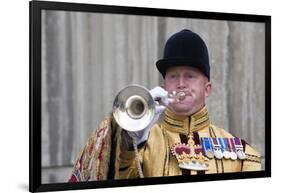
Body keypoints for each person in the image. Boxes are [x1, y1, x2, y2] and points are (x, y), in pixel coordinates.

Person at [69, 29, 261, 182]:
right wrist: (133, 138)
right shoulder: (140, 141)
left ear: (207, 88)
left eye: (190, 75)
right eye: (173, 76)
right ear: (163, 86)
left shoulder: (243, 152)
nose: (181, 83)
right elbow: (119, 178)